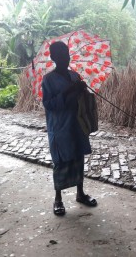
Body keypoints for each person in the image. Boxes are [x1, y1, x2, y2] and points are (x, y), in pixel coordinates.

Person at [42, 41, 97, 216]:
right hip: (60, 127)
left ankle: (80, 193)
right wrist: (67, 92)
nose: (66, 58)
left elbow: (83, 99)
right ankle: (58, 199)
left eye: (67, 54)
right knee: (61, 161)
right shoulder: (48, 80)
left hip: (77, 124)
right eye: (61, 55)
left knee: (78, 158)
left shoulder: (74, 76)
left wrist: (82, 89)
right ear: (53, 58)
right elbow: (49, 104)